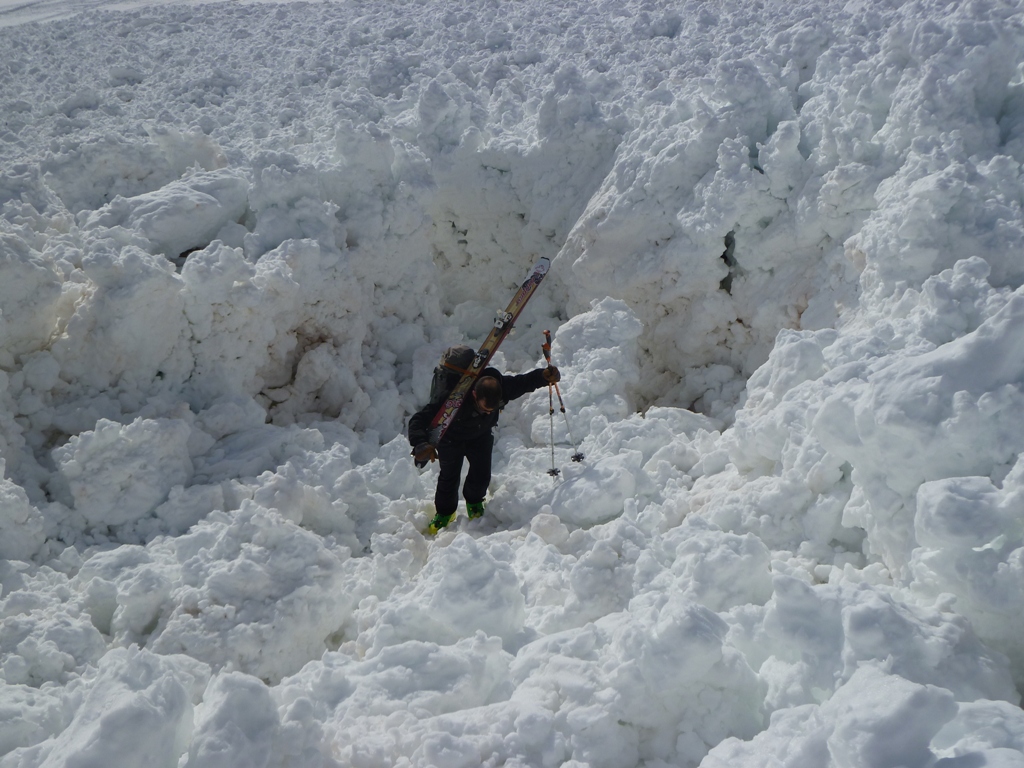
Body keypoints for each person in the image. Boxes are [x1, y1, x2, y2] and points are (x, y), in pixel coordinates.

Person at [408, 363, 560, 533]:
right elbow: (418, 419)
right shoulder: (453, 399)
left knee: (481, 473)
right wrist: (420, 443)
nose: (488, 413)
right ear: (474, 395)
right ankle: (445, 513)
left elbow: (523, 382)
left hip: (480, 436)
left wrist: (543, 376)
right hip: (451, 439)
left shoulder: (502, 388)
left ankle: (474, 503)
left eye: (492, 410)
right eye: (484, 409)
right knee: (448, 478)